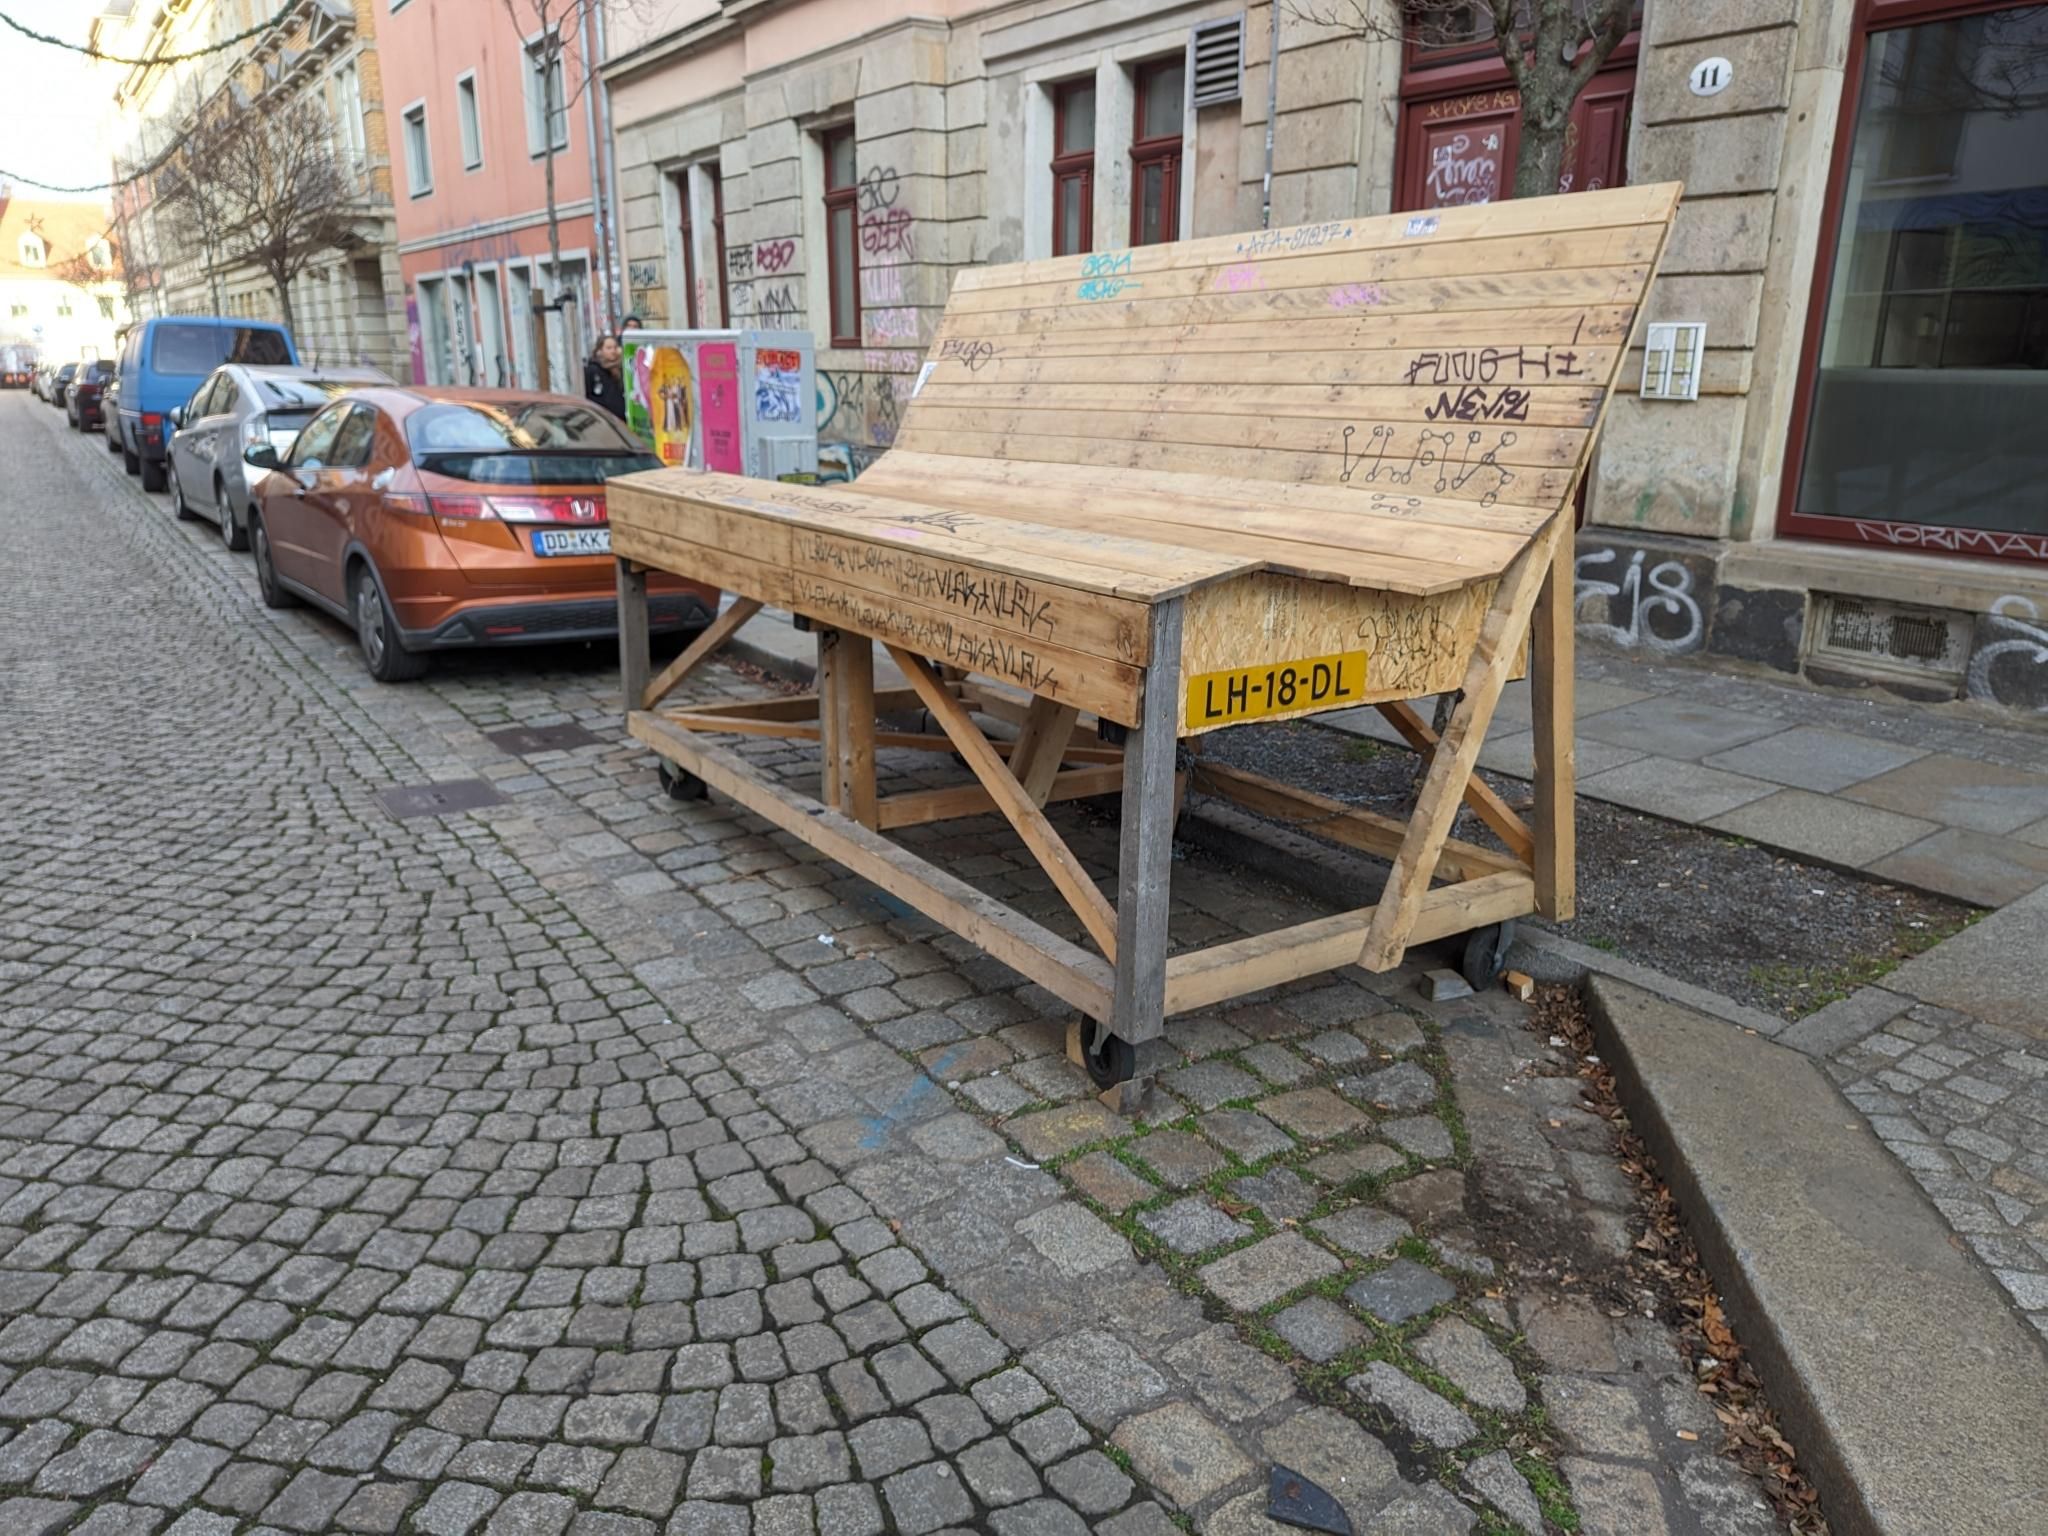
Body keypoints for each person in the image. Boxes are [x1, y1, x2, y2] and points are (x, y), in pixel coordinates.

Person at [584, 333, 626, 419]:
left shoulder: (621, 369)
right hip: (602, 420)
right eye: (609, 348)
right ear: (599, 350)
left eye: (615, 347)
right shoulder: (592, 370)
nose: (613, 351)